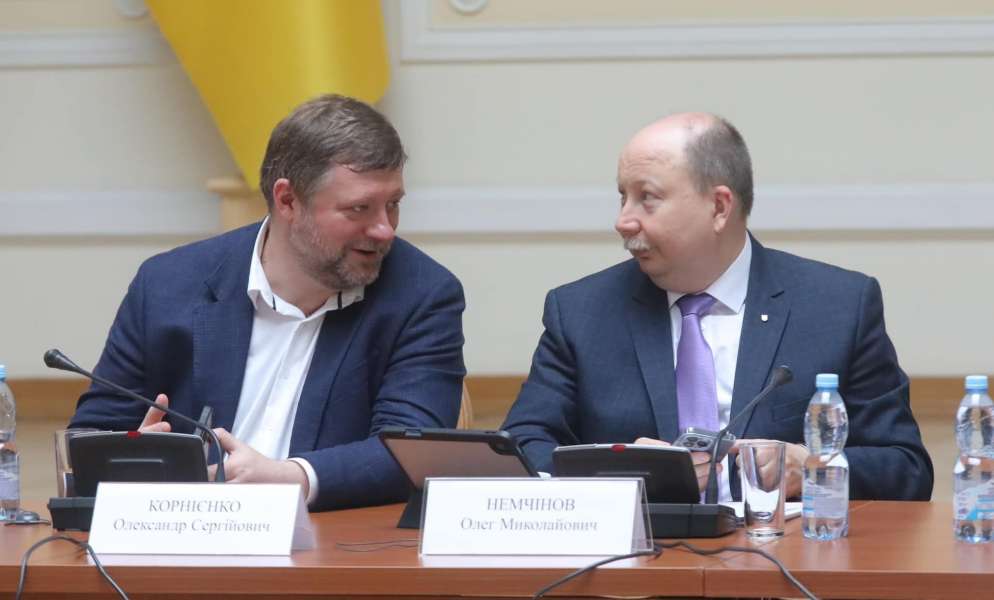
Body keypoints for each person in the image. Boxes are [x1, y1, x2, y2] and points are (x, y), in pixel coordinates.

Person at [502, 112, 933, 501]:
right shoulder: (580, 311)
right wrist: (619, 471)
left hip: (783, 554)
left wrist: (814, 468)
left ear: (719, 207)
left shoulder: (837, 306)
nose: (623, 221)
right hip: (635, 558)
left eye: (647, 197)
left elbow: (907, 468)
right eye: (622, 197)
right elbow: (521, 445)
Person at [70, 95, 466, 510]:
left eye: (393, 205)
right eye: (359, 209)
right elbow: (90, 437)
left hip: (328, 539)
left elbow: (409, 452)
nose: (385, 229)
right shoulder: (168, 285)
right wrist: (129, 452)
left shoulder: (421, 294)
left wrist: (292, 478)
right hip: (182, 530)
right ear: (288, 200)